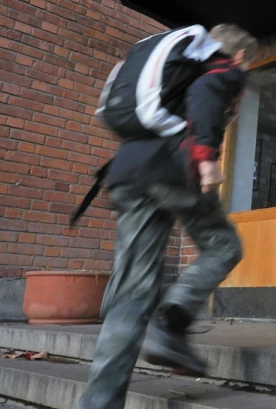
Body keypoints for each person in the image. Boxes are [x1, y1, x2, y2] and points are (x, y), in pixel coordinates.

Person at [74, 24, 257, 409]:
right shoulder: (223, 67)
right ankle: (173, 321)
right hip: (174, 168)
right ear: (240, 55)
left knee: (132, 293)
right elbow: (207, 92)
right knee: (224, 246)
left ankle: (99, 402)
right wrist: (207, 159)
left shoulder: (175, 67)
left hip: (128, 173)